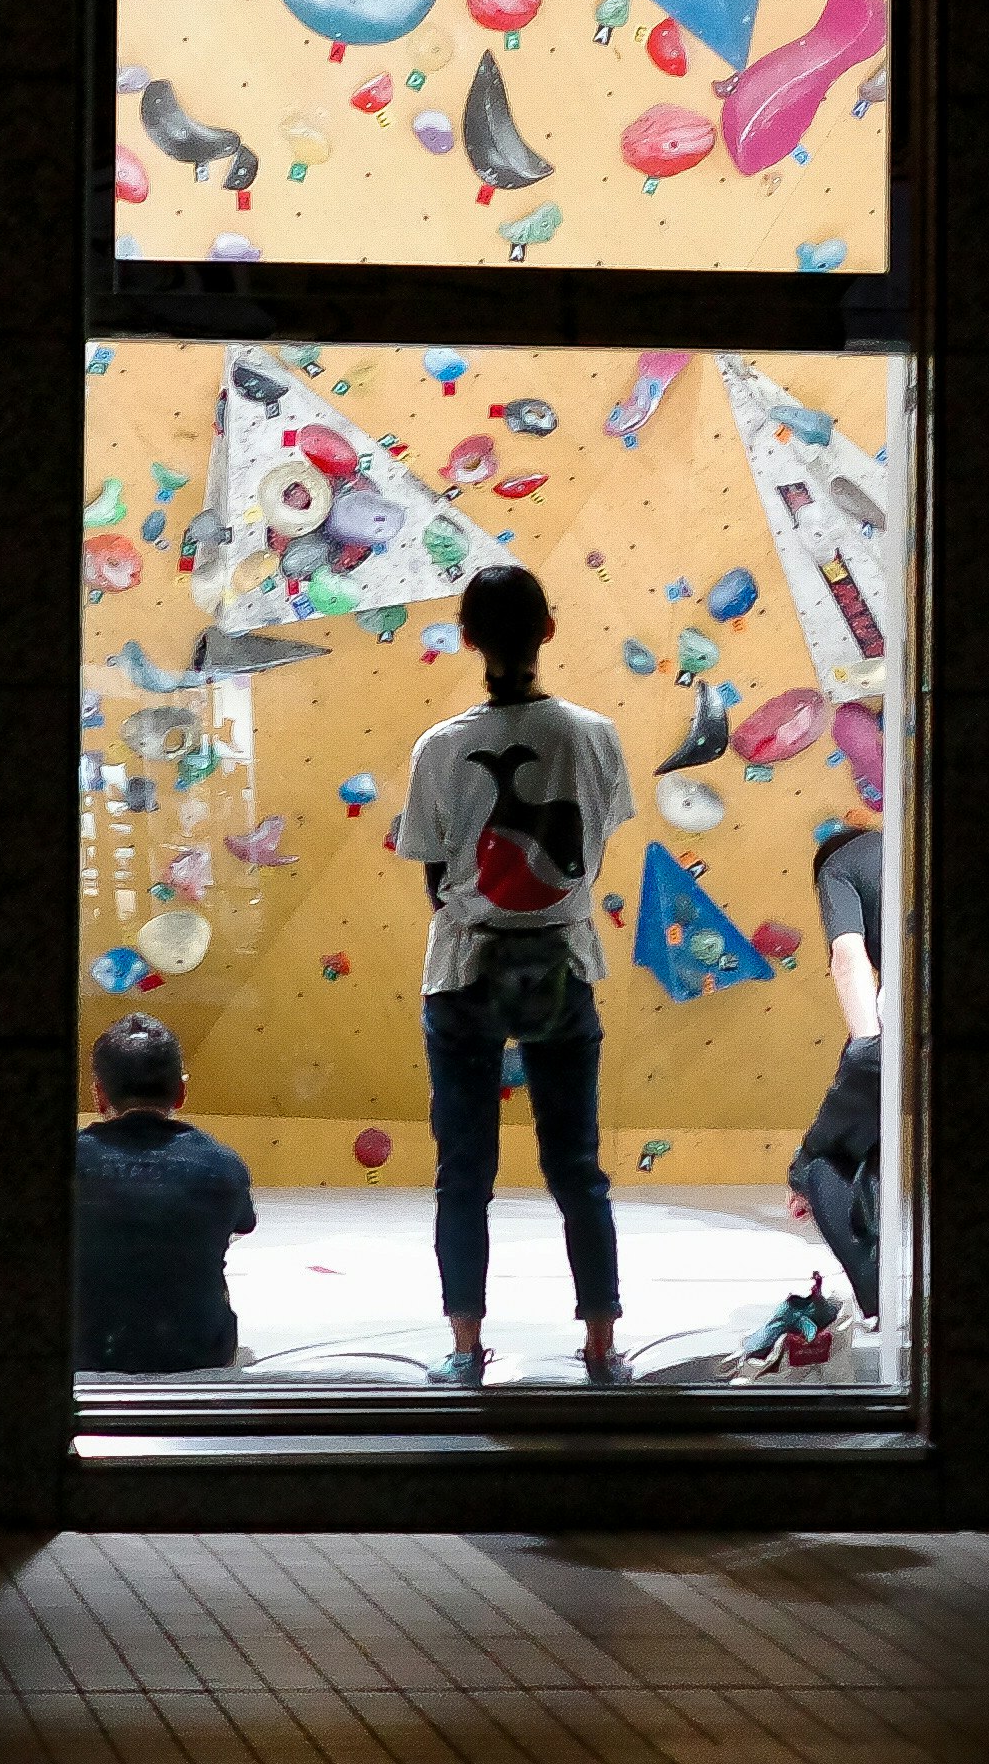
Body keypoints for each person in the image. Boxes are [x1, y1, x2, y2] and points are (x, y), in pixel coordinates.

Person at [395, 564, 632, 1387]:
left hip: (463, 965)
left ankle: (465, 1348)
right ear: (549, 630)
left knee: (465, 1170)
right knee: (577, 1163)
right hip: (564, 960)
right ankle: (602, 1346)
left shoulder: (439, 747)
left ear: (466, 638)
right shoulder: (596, 735)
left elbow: (433, 876)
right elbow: (593, 846)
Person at [72, 1014, 257, 1375]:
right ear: (181, 1092)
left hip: (87, 1354)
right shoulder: (223, 1164)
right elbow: (241, 1225)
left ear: (99, 1093)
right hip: (200, 1356)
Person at [787, 823, 886, 1320]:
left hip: (896, 1018)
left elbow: (848, 957)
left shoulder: (835, 869)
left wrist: (869, 1047)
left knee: (825, 1160)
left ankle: (875, 1303)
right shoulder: (900, 853)